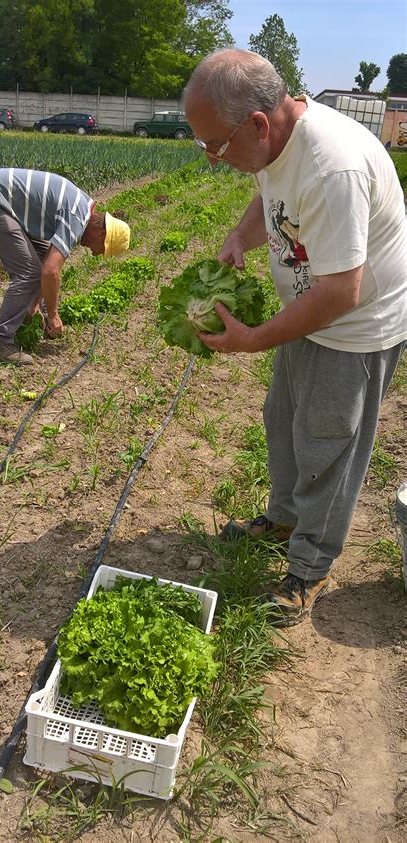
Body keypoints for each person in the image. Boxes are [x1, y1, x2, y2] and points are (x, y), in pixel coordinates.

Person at [183, 49, 406, 626]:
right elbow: (270, 194)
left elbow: (340, 295)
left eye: (217, 146)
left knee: (328, 446)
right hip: (310, 310)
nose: (212, 158)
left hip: (355, 328)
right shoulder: (273, 140)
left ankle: (309, 565)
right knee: (282, 421)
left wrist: (253, 338)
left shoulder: (334, 167)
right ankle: (283, 518)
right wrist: (239, 235)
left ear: (258, 122)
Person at [0, 168, 131, 365]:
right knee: (29, 272)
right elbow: (51, 272)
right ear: (101, 234)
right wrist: (53, 315)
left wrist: (34, 306)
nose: (95, 254)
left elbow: (48, 264)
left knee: (41, 258)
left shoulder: (83, 209)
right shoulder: (77, 218)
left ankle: (28, 314)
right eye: (101, 250)